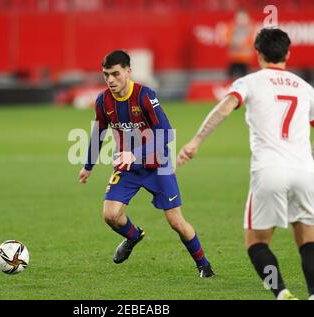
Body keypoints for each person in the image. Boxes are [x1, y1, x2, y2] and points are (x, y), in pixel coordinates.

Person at [177, 28, 314, 299]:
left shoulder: (250, 82)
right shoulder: (305, 87)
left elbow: (224, 108)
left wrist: (195, 142)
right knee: (308, 240)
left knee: (256, 243)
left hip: (269, 170)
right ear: (288, 53)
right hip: (303, 171)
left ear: (258, 53)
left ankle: (281, 291)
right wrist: (310, 163)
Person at [78, 50, 215, 278]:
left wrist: (136, 154)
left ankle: (204, 265)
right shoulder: (103, 101)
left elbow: (166, 134)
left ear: (128, 72)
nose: (111, 80)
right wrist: (88, 166)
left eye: (115, 74)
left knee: (176, 221)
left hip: (158, 165)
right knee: (110, 215)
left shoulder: (144, 95)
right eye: (106, 75)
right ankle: (133, 236)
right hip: (128, 167)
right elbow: (99, 132)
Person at [223, 9, 255, 79]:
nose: (242, 20)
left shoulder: (250, 29)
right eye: (240, 18)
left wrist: (240, 45)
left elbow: (251, 42)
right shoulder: (231, 28)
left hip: (245, 60)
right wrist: (234, 43)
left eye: (244, 18)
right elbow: (227, 40)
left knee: (245, 78)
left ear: (248, 19)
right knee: (230, 78)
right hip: (233, 59)